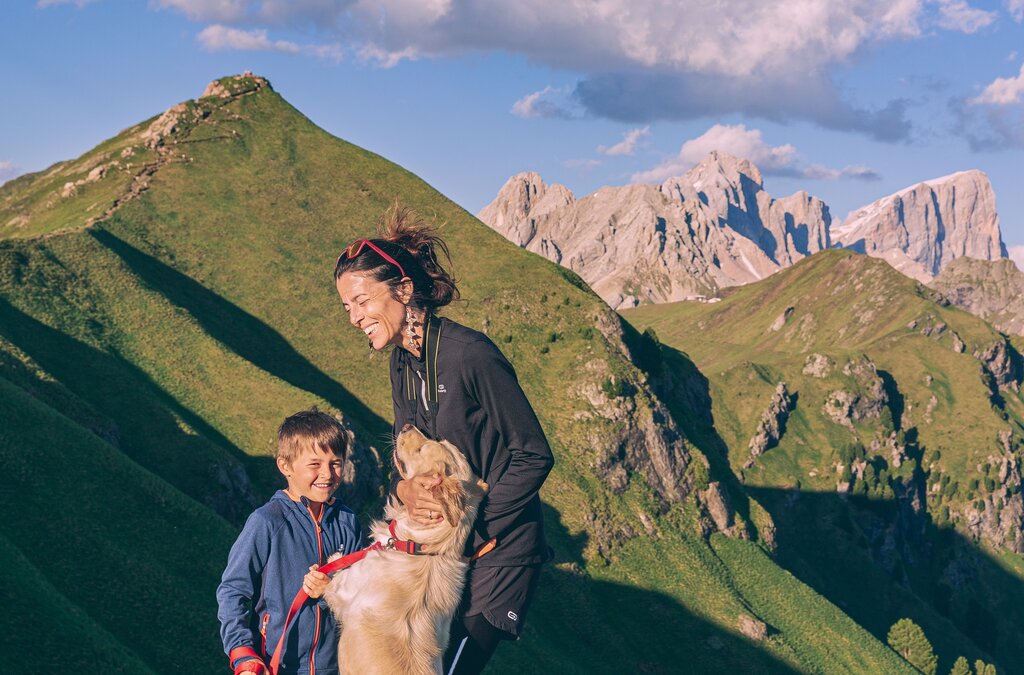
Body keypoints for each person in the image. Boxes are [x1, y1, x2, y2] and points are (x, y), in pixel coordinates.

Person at [334, 205, 555, 674]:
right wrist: (403, 490)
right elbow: (406, 456)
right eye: (347, 307)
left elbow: (533, 455)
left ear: (404, 290)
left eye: (362, 301)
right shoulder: (401, 361)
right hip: (438, 558)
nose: (354, 317)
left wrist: (469, 527)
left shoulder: (471, 355)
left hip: (500, 552)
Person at [217, 408, 362, 675]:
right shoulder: (266, 522)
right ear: (285, 466)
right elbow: (232, 592)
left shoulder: (347, 522)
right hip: (277, 666)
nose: (328, 474)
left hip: (336, 667)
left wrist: (331, 590)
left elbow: (360, 594)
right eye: (315, 464)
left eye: (336, 462)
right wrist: (243, 654)